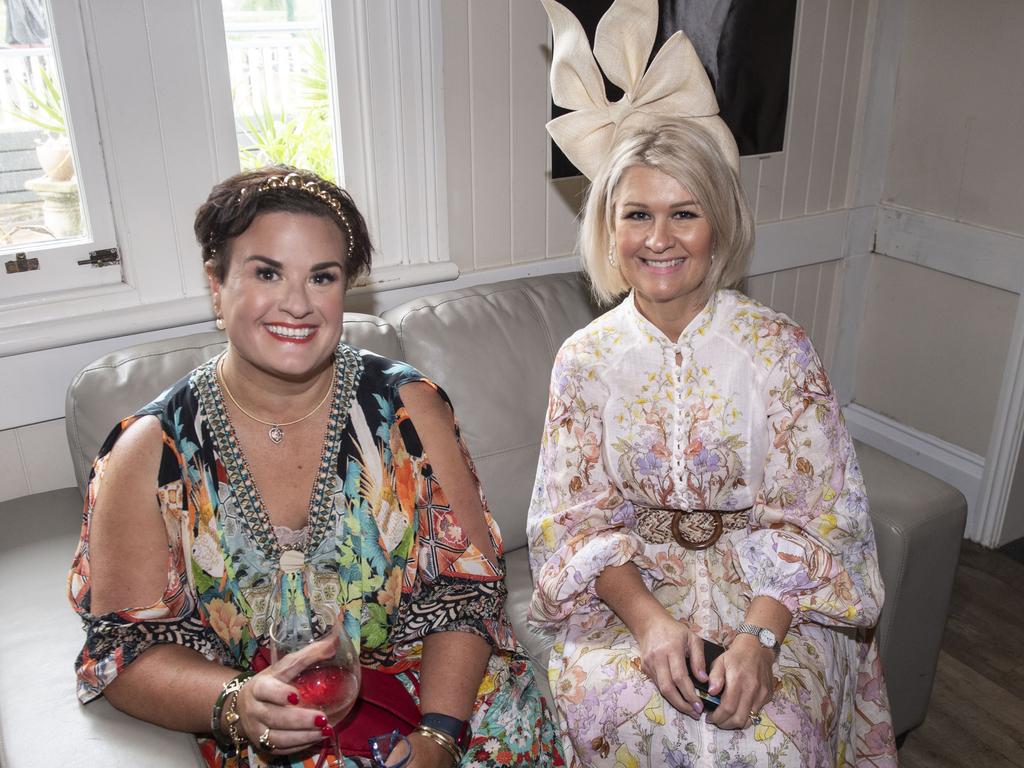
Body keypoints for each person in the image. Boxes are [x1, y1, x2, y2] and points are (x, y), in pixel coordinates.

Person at [68, 166, 563, 768]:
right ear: (216, 284)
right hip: (278, 731)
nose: (297, 304)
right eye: (267, 272)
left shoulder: (408, 410)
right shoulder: (150, 454)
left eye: (321, 277)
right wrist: (238, 703)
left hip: (450, 709)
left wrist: (437, 738)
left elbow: (466, 592)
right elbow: (126, 650)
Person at [528, 1, 897, 766]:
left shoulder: (779, 350)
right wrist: (652, 626)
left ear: (718, 226)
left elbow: (823, 520)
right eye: (636, 216)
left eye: (683, 214)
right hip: (631, 594)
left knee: (768, 740)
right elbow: (572, 524)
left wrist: (759, 640)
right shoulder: (584, 360)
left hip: (774, 603)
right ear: (608, 229)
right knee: (622, 711)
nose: (658, 240)